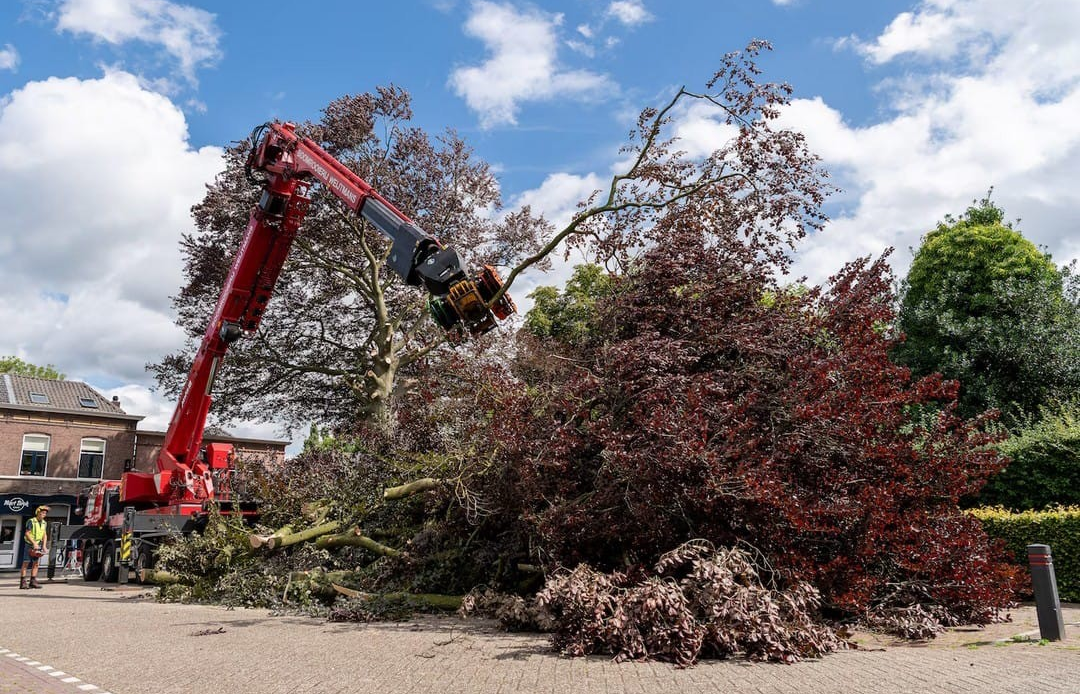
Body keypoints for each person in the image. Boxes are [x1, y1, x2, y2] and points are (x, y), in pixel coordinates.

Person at [20, 505, 49, 590]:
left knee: (36, 564)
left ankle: (33, 582)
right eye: (42, 513)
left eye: (45, 513)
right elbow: (27, 533)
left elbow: (44, 535)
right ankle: (23, 583)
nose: (44, 514)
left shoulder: (44, 523)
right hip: (29, 544)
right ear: (38, 512)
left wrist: (44, 546)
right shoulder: (31, 521)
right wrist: (34, 543)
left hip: (38, 545)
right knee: (26, 563)